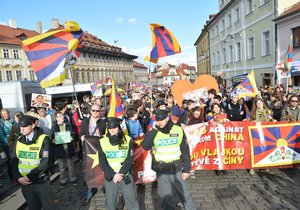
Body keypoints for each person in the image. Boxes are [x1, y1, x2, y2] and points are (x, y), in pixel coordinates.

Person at [142, 110, 196, 210]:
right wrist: (153, 130)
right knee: (166, 199)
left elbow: (185, 151)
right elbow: (145, 146)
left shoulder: (178, 129)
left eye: (162, 120)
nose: (159, 122)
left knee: (185, 196)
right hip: (162, 170)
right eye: (157, 120)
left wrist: (187, 170)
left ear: (167, 118)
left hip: (176, 169)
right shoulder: (154, 131)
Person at [11, 115, 54, 210]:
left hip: (40, 181)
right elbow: (14, 160)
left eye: (25, 127)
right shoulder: (19, 140)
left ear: (33, 125)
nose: (21, 130)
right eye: (20, 127)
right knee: (32, 207)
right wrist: (18, 177)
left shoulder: (44, 139)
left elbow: (46, 162)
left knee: (48, 207)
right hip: (25, 183)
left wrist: (29, 176)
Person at [98, 117, 139, 210]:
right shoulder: (102, 141)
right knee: (110, 202)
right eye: (110, 128)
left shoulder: (128, 140)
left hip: (125, 174)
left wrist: (120, 174)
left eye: (114, 128)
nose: (112, 130)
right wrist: (113, 175)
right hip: (110, 176)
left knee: (132, 200)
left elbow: (130, 159)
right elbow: (102, 162)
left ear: (119, 127)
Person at [80, 104, 106, 203]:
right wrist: (82, 137)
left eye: (97, 111)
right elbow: (81, 133)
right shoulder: (85, 121)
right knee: (89, 170)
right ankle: (89, 191)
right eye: (94, 110)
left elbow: (105, 134)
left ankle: (104, 186)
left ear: (100, 111)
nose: (95, 112)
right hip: (89, 149)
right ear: (90, 111)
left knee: (102, 168)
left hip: (100, 149)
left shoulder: (103, 122)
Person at [52, 111, 77, 188]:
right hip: (60, 149)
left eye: (62, 115)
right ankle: (63, 180)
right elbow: (52, 138)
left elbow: (73, 134)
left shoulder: (68, 125)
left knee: (71, 165)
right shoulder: (54, 127)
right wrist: (53, 141)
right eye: (59, 116)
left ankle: (73, 178)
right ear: (56, 118)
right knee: (62, 167)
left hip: (68, 147)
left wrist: (72, 137)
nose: (61, 117)